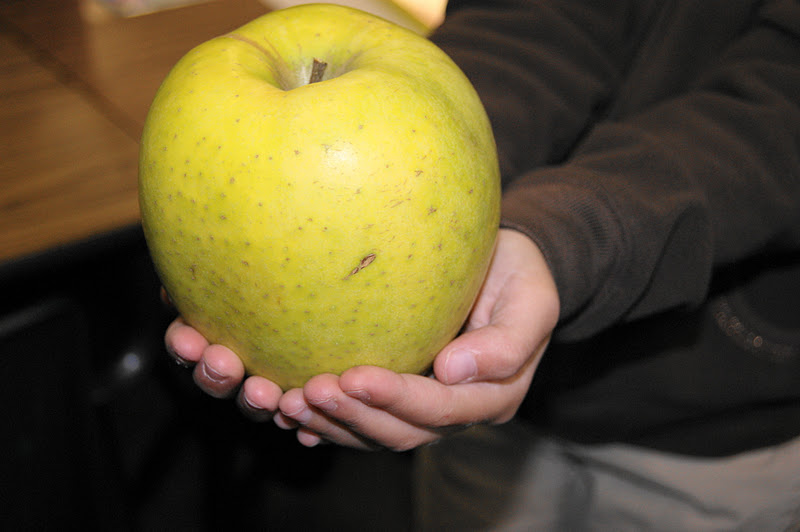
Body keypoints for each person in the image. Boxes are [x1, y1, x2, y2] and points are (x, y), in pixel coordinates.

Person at [164, 0, 800, 529]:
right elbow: (530, 22)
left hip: (714, 436)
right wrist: (428, 174)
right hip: (473, 396)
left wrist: (568, 238)